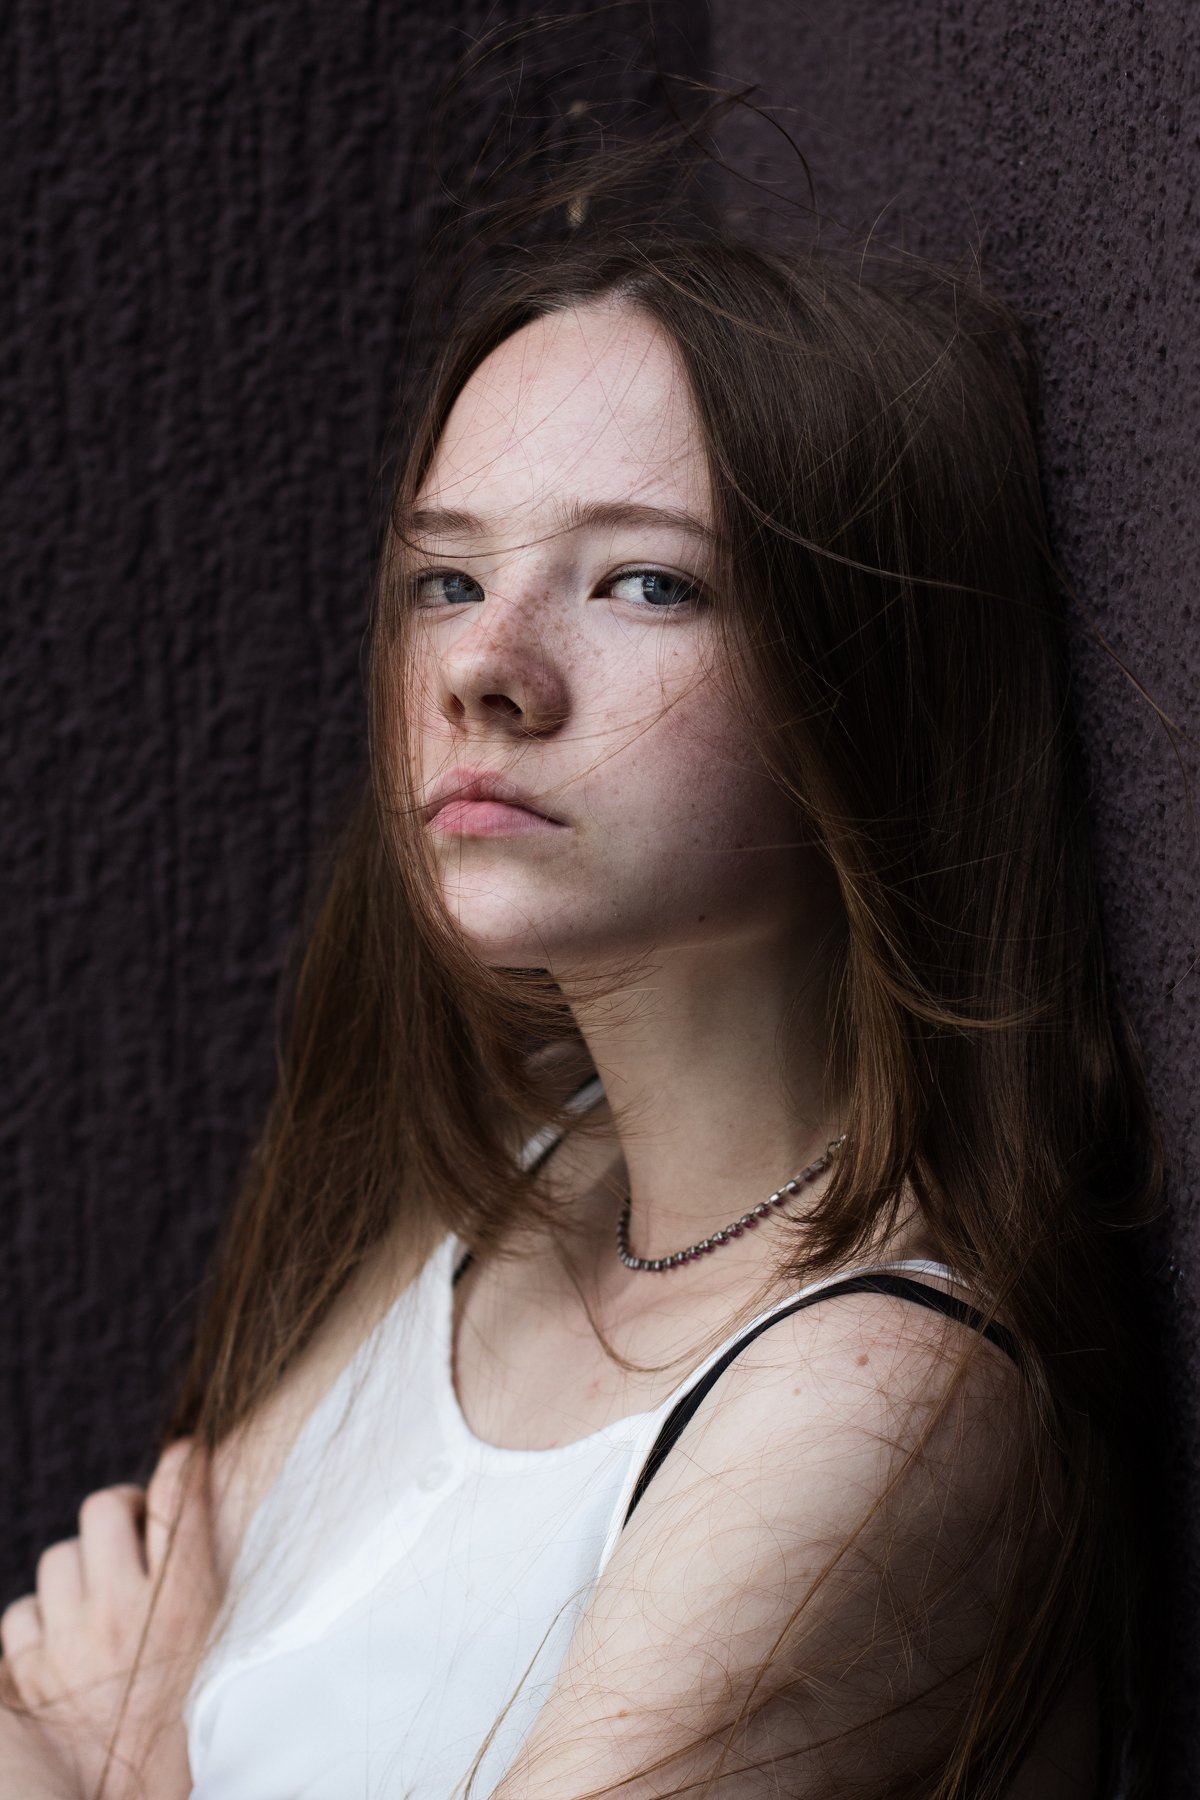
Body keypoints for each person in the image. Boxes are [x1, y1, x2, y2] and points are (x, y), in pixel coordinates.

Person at [0, 214, 1161, 1799]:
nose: (485, 667)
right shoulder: (511, 1185)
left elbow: (90, 1717)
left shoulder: (880, 1397)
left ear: (877, 681)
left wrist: (135, 1767)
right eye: (448, 577)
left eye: (644, 583)